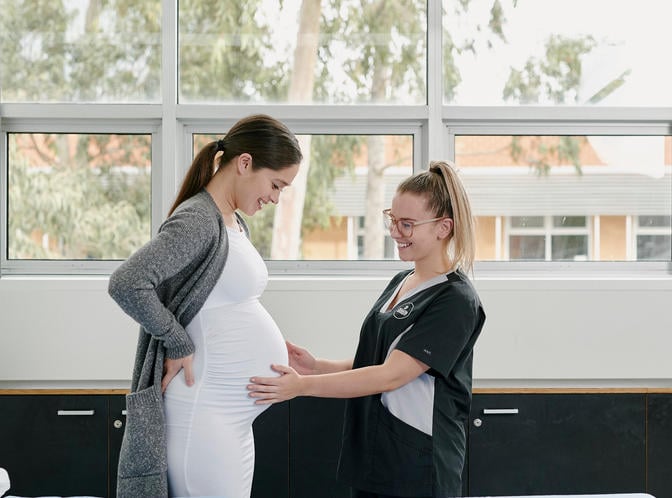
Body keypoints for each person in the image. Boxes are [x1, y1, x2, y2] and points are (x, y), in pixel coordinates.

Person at [248, 160, 486, 498]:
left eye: (407, 225)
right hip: (374, 455)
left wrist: (303, 386)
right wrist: (317, 366)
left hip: (417, 465)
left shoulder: (455, 300)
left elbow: (392, 375)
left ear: (443, 228)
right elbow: (375, 360)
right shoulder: (402, 281)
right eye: (392, 220)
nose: (395, 233)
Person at [108, 114, 303, 498]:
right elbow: (128, 283)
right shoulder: (199, 219)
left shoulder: (232, 222)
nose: (276, 198)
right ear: (244, 163)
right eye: (276, 184)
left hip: (229, 420)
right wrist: (178, 343)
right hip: (205, 416)